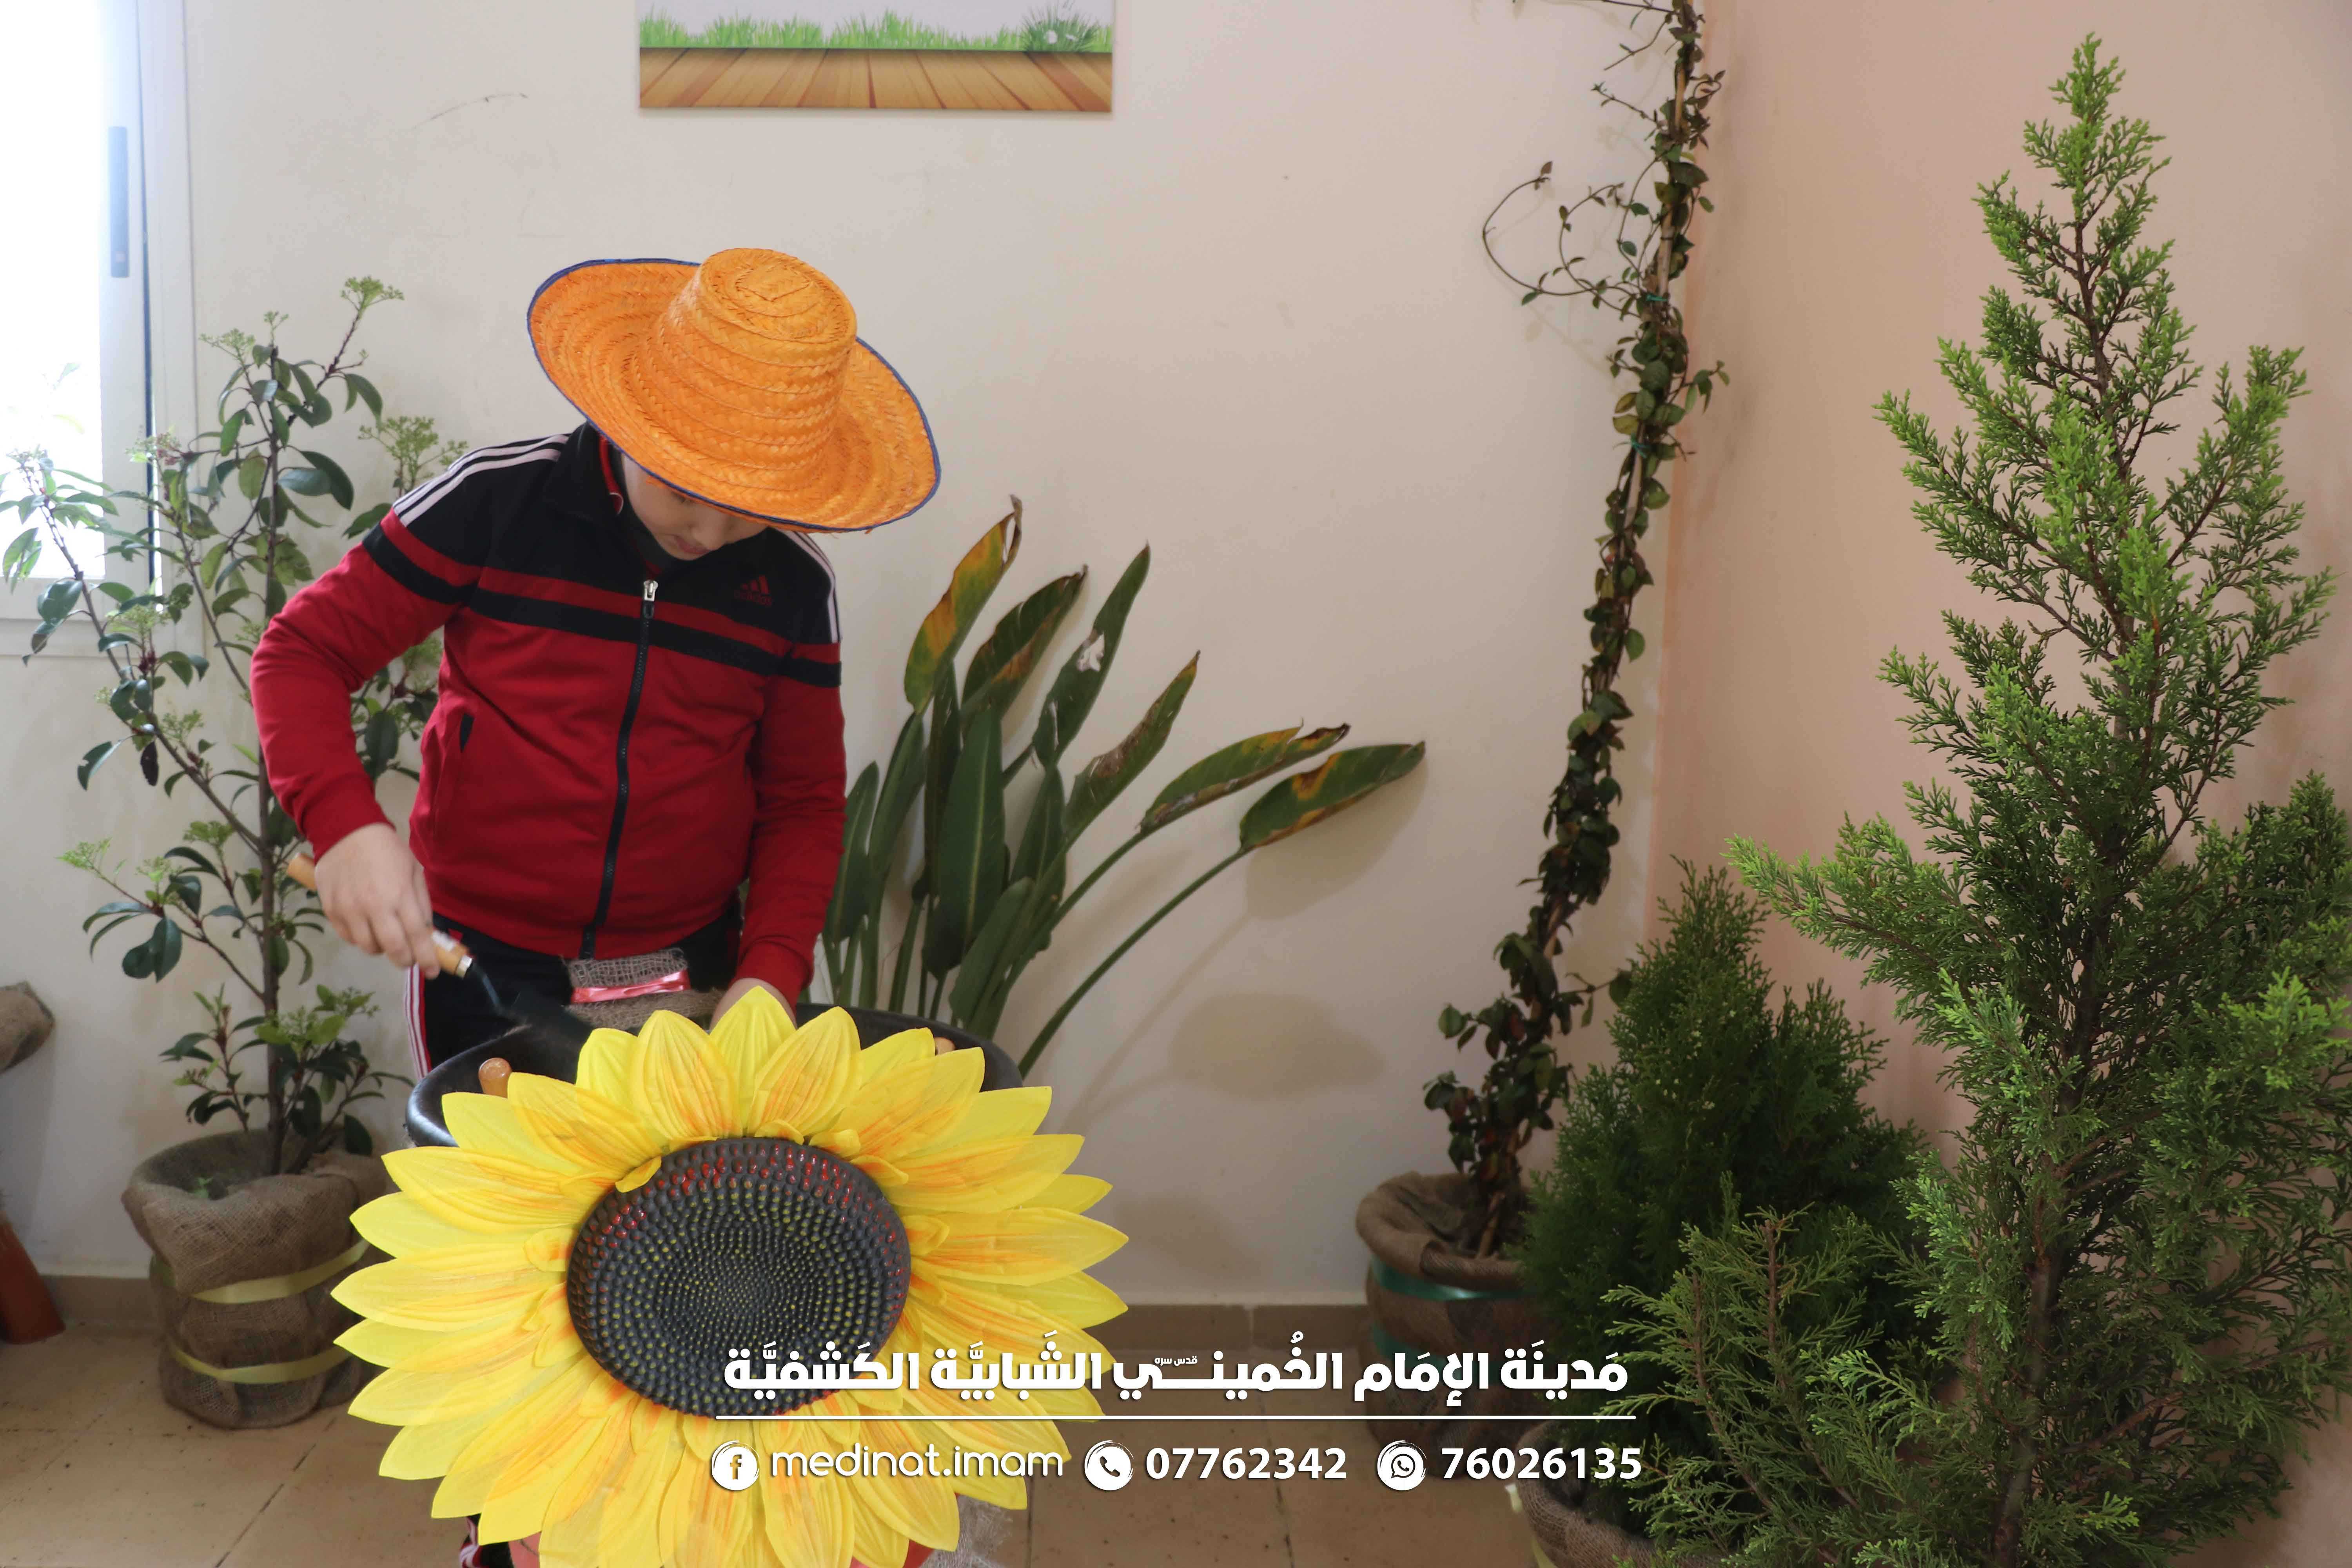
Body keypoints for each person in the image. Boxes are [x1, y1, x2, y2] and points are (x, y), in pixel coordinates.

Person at [250, 250, 940, 1565]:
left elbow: (803, 804)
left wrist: (770, 975)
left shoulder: (791, 592)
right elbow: (303, 650)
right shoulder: (496, 504)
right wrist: (346, 828)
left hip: (694, 969)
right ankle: (512, 1531)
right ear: (631, 417)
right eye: (687, 486)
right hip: (484, 961)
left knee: (672, 1268)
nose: (711, 529)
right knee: (505, 1274)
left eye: (751, 504)